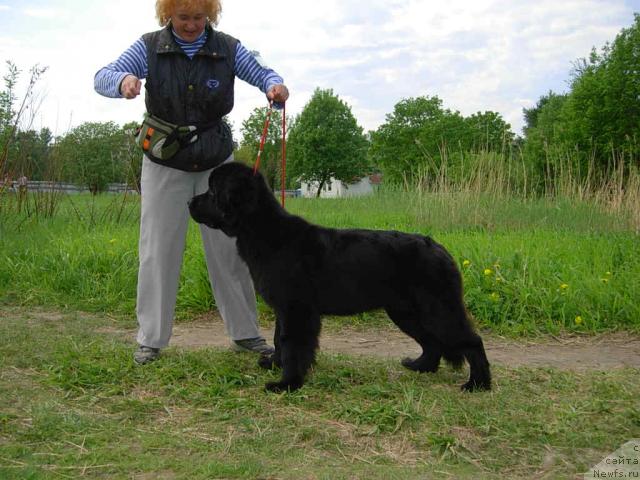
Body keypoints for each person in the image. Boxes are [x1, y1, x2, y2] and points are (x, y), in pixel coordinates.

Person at [94, 0, 289, 364]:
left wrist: (275, 87)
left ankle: (246, 334)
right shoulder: (149, 46)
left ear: (210, 16)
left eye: (199, 17)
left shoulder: (228, 47)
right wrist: (123, 81)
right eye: (183, 17)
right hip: (164, 161)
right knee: (158, 251)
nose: (191, 25)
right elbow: (102, 76)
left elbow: (264, 73)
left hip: (216, 163)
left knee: (230, 251)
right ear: (168, 14)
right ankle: (151, 339)